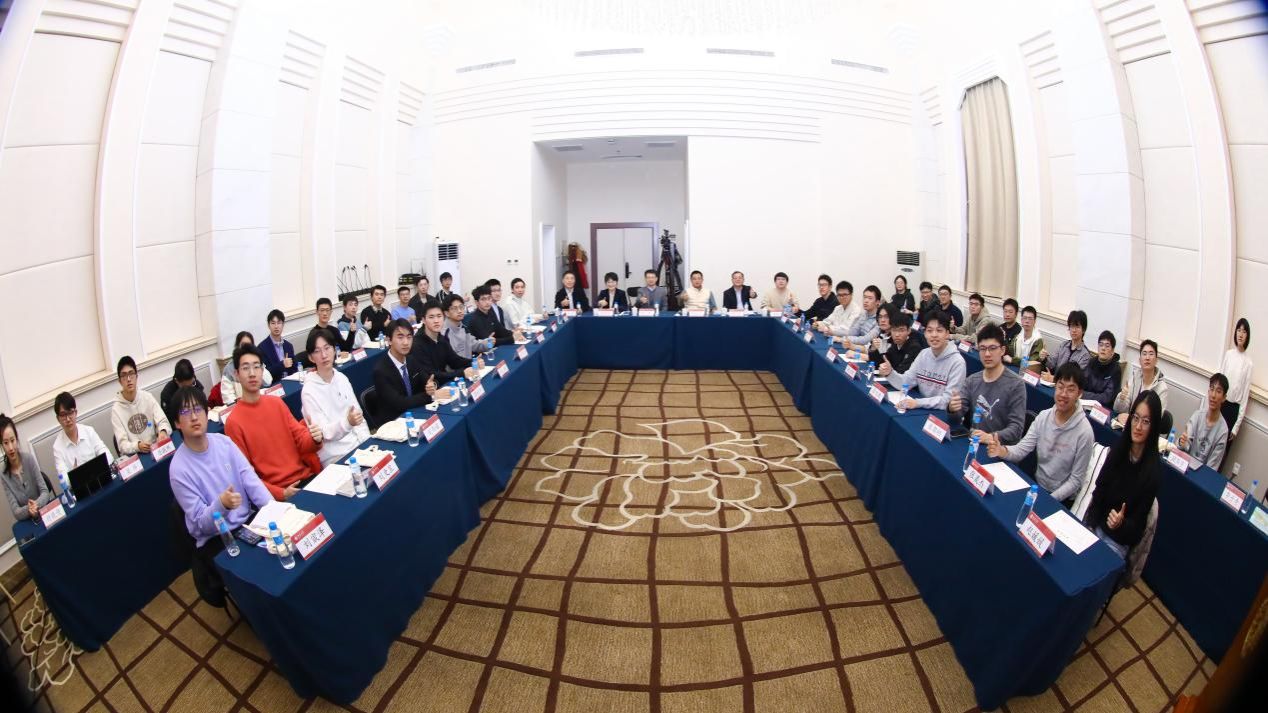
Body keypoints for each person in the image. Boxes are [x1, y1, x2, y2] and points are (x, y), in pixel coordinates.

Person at [168, 386, 276, 606]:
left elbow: (251, 481)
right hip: (216, 539)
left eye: (198, 409)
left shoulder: (223, 442)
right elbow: (202, 524)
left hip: (246, 522)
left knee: (279, 555)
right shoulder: (178, 469)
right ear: (177, 423)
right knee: (258, 582)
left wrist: (274, 510)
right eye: (186, 412)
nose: (194, 417)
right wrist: (222, 505)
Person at [222, 345, 322, 500]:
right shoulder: (233, 423)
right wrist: (280, 494)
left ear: (262, 371)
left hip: (305, 478)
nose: (252, 373)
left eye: (256, 367)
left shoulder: (276, 403)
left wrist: (315, 439)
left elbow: (301, 439)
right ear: (237, 374)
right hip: (277, 494)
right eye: (245, 368)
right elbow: (246, 476)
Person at [988, 362, 1094, 505]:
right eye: (1060, 387)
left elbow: (1076, 480)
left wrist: (1049, 500)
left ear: (1079, 393)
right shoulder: (1044, 417)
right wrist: (1002, 450)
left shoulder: (1085, 432)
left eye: (1070, 390)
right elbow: (1022, 449)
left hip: (1062, 499)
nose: (1063, 394)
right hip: (1038, 486)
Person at [1082, 390, 1162, 558]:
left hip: (1117, 542)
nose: (1138, 426)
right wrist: (1089, 526)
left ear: (1153, 426)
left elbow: (1137, 530)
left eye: (1146, 421)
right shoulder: (1118, 451)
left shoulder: (1152, 471)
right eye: (1136, 418)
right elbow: (1099, 492)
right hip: (1096, 526)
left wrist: (1121, 524)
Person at [948, 324, 1026, 445]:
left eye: (992, 348)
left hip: (999, 449)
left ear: (1002, 350)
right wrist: (952, 409)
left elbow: (1017, 429)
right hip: (975, 443)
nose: (987, 354)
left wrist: (991, 437)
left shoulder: (1016, 384)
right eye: (983, 349)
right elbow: (956, 417)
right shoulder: (972, 380)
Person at [301, 330, 371, 465]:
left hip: (358, 444)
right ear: (311, 358)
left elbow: (358, 416)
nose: (324, 355)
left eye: (327, 348)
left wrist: (367, 442)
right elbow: (323, 433)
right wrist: (347, 423)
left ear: (334, 350)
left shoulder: (342, 378)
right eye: (317, 351)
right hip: (335, 456)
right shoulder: (308, 391)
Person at [892, 311, 966, 411]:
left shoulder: (957, 362)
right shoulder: (923, 354)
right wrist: (889, 373)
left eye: (939, 330)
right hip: (923, 409)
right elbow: (906, 382)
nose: (934, 335)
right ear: (925, 333)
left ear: (947, 334)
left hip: (941, 414)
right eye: (930, 331)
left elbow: (948, 400)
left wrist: (918, 403)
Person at [372, 318, 439, 424]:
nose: (406, 342)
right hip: (395, 421)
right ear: (389, 340)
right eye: (400, 337)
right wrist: (430, 396)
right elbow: (400, 403)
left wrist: (432, 386)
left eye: (409, 337)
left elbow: (428, 380)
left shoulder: (411, 359)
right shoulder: (380, 371)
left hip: (415, 412)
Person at [111, 356, 171, 455]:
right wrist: (137, 446)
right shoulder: (116, 410)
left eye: (131, 374)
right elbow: (122, 445)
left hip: (156, 449)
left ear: (136, 376)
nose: (129, 379)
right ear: (120, 381)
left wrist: (163, 432)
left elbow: (163, 421)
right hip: (136, 455)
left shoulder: (147, 397)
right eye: (124, 376)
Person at [410, 302, 479, 386]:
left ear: (444, 318)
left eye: (439, 316)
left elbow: (454, 360)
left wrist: (474, 362)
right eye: (431, 317)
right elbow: (432, 374)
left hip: (444, 384)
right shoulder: (417, 344)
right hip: (429, 388)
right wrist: (462, 373)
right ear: (423, 320)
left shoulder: (441, 338)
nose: (436, 321)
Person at [2, 414, 53, 522]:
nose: (10, 448)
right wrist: (29, 510)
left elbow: (45, 492)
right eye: (6, 443)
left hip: (46, 513)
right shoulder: (3, 475)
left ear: (17, 439)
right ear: (1, 445)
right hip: (29, 522)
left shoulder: (29, 459)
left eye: (12, 440)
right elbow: (16, 511)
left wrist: (36, 504)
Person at [51, 392, 110, 475]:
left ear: (76, 413)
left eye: (70, 412)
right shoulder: (57, 447)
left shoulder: (89, 431)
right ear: (58, 419)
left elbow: (107, 455)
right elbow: (63, 477)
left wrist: (96, 467)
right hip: (78, 483)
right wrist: (74, 474)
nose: (68, 419)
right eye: (63, 415)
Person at [1180, 374, 1230, 470]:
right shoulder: (1197, 416)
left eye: (1218, 391)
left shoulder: (1223, 431)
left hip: (1203, 474)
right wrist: (1182, 442)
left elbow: (1212, 468)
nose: (1213, 395)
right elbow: (1185, 444)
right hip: (1185, 466)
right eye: (1212, 389)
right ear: (1208, 392)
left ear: (1224, 397)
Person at [1115, 339, 1168, 424]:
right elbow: (1119, 410)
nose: (1147, 358)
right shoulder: (1134, 377)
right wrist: (1121, 399)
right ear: (1140, 360)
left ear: (1156, 360)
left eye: (1151, 354)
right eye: (1144, 354)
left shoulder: (1162, 388)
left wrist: (1132, 419)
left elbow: (1156, 419)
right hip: (1129, 425)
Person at [1218, 318, 1252, 440]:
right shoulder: (1228, 354)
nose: (1241, 334)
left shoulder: (1248, 363)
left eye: (1244, 331)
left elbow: (1245, 397)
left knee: (1224, 446)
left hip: (1233, 411)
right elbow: (1219, 382)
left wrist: (1236, 427)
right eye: (1239, 330)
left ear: (1247, 336)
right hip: (1220, 404)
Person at [221, 331, 274, 406]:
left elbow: (268, 382)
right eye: (243, 345)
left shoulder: (257, 362)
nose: (246, 349)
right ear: (237, 346)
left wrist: (258, 366)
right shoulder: (229, 369)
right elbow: (228, 398)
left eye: (249, 345)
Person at [1041, 310, 1091, 379]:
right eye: (1072, 326)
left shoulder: (1085, 355)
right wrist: (1045, 358)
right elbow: (1051, 364)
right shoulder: (1063, 345)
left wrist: (1054, 379)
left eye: (1077, 327)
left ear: (1083, 330)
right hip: (1053, 381)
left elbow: (1076, 378)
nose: (1074, 330)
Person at [871, 310, 921, 378]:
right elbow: (882, 362)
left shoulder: (914, 348)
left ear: (909, 331)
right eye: (894, 330)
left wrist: (887, 372)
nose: (897, 334)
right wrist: (873, 349)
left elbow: (902, 372)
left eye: (901, 330)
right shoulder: (894, 344)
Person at [442, 294, 493, 359]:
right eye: (454, 308)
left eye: (461, 307)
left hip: (469, 364)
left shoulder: (463, 328)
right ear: (446, 313)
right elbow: (451, 360)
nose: (459, 311)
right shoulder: (444, 334)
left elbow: (474, 345)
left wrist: (488, 342)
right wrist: (470, 363)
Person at [160, 359, 206, 430]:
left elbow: (204, 404)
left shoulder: (195, 383)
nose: (189, 390)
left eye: (191, 385)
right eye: (185, 387)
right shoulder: (167, 395)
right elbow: (170, 422)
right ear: (176, 381)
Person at [1083, 330, 1122, 409]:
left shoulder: (1116, 370)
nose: (1103, 348)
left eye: (1107, 346)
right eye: (1101, 345)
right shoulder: (1092, 362)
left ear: (1112, 351)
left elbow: (1107, 398)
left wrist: (1084, 395)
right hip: (1085, 404)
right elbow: (1082, 385)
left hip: (1103, 409)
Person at [260, 309, 298, 381]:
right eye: (273, 323)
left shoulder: (288, 346)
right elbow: (264, 374)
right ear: (268, 325)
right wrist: (282, 364)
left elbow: (295, 368)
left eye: (279, 323)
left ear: (283, 325)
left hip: (289, 382)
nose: (276, 326)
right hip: (274, 384)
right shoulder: (262, 348)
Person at [1005, 305, 1044, 371]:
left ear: (1035, 321)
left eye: (1030, 319)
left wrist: (1013, 360)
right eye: (1025, 318)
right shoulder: (1019, 335)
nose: (1027, 321)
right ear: (1021, 320)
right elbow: (1010, 351)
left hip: (1028, 372)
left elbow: (1031, 363)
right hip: (1015, 368)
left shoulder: (1038, 339)